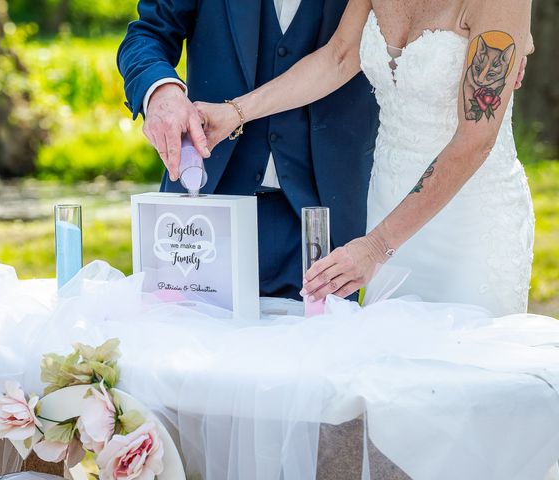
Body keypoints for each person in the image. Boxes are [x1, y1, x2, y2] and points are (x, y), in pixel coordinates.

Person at [196, 0, 535, 316]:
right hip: (387, 199)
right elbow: (339, 58)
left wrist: (376, 247)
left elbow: (475, 140)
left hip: (469, 220)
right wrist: (235, 113)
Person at [117, 0, 380, 299]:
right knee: (189, 341)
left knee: (318, 344)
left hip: (322, 218)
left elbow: (344, 56)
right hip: (205, 212)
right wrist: (161, 91)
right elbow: (148, 33)